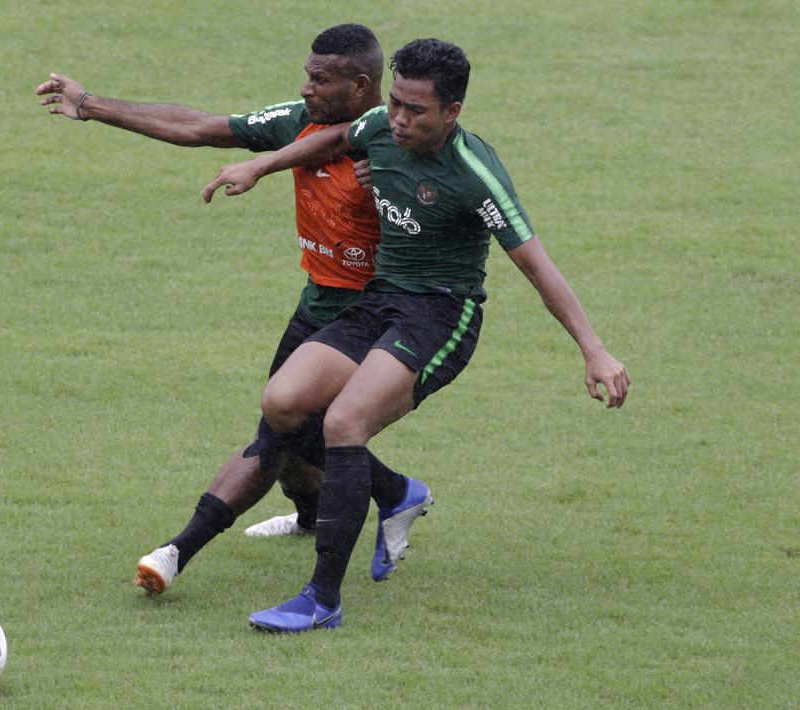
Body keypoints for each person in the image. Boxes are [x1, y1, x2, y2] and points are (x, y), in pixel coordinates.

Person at [202, 38, 631, 632]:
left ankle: (322, 599)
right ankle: (399, 493)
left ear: (452, 112)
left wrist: (594, 349)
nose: (397, 119)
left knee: (344, 423)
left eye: (416, 111)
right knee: (282, 402)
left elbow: (538, 267)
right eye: (396, 102)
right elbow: (336, 137)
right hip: (378, 300)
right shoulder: (382, 122)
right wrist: (260, 164)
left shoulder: (473, 175)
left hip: (439, 315)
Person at [35, 24, 433, 596]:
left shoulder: (403, 148)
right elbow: (199, 127)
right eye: (307, 75)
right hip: (317, 302)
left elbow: (444, 226)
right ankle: (364, 501)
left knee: (280, 429)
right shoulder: (302, 123)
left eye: (320, 80)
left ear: (361, 84)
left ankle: (178, 550)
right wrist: (92, 105)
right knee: (295, 435)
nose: (305, 88)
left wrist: (387, 190)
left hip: (375, 315)